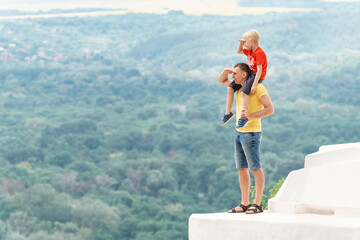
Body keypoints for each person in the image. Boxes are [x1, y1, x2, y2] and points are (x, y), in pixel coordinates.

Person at [218, 63, 274, 214]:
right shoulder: (237, 87)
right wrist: (225, 71)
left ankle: (257, 204)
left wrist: (251, 116)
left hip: (251, 134)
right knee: (242, 169)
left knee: (255, 168)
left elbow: (270, 109)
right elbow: (221, 80)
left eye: (235, 73)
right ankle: (244, 203)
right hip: (238, 132)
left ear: (244, 75)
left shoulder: (258, 88)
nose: (232, 76)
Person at [220, 30, 268, 128]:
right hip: (251, 73)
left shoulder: (259, 53)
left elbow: (259, 70)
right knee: (230, 88)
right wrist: (241, 44)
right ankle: (228, 113)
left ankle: (244, 116)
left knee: (243, 92)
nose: (244, 44)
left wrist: (254, 85)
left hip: (256, 75)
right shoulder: (250, 51)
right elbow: (239, 51)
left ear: (252, 40)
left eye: (245, 42)